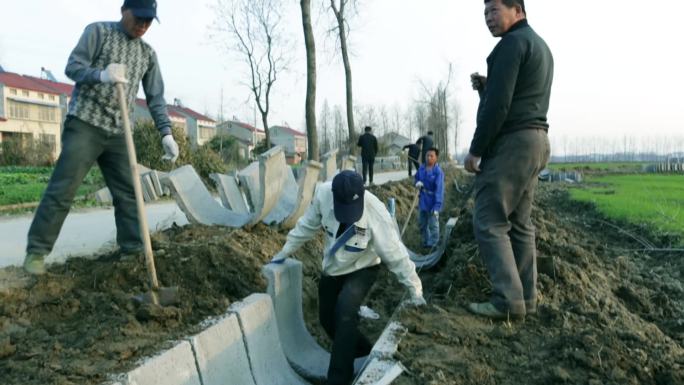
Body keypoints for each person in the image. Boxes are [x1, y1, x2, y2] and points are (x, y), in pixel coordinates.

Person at [23, 0, 179, 275]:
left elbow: (156, 99)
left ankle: (132, 248)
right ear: (124, 11)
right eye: (139, 18)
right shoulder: (98, 32)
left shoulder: (147, 54)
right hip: (86, 123)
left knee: (129, 193)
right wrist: (101, 75)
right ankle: (36, 252)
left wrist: (166, 133)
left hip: (120, 132)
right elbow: (73, 66)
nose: (143, 25)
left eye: (149, 21)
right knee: (63, 189)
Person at [270, 170, 425, 385]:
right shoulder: (323, 195)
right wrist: (283, 252)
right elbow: (306, 227)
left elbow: (396, 255)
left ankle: (339, 378)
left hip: (364, 267)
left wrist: (415, 290)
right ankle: (363, 351)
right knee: (327, 319)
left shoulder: (374, 212)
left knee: (345, 311)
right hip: (333, 268)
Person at [464, 0, 553, 319]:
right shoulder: (538, 46)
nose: (488, 18)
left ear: (517, 10)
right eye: (485, 13)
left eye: (494, 10)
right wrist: (487, 88)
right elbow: (518, 96)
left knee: (489, 219)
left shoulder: (510, 45)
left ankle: (507, 301)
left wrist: (476, 150)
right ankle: (526, 300)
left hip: (514, 143)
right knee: (519, 223)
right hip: (537, 140)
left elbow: (499, 107)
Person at [414, 148, 444, 250]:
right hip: (423, 200)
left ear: (436, 158)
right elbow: (416, 178)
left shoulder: (438, 172)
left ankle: (433, 245)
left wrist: (437, 206)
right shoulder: (421, 168)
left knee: (433, 225)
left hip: (433, 201)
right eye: (427, 155)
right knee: (422, 224)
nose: (429, 158)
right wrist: (417, 183)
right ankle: (425, 242)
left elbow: (439, 190)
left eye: (431, 156)